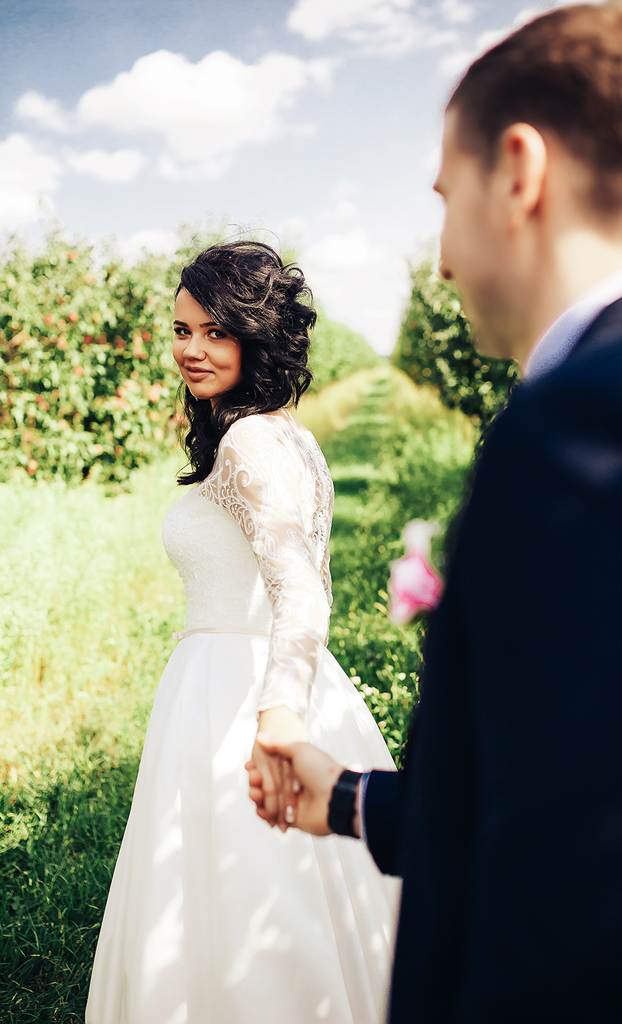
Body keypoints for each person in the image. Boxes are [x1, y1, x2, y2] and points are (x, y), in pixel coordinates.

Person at [248, 5, 622, 1021]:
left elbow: (562, 881)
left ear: (517, 170)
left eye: (444, 200)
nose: (443, 260)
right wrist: (349, 798)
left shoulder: (570, 430)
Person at [85, 241, 399, 1024]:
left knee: (241, 904)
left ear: (255, 334)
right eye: (182, 329)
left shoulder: (250, 442)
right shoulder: (285, 432)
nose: (190, 348)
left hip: (238, 695)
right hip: (282, 679)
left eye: (214, 332)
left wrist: (274, 714)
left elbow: (301, 593)